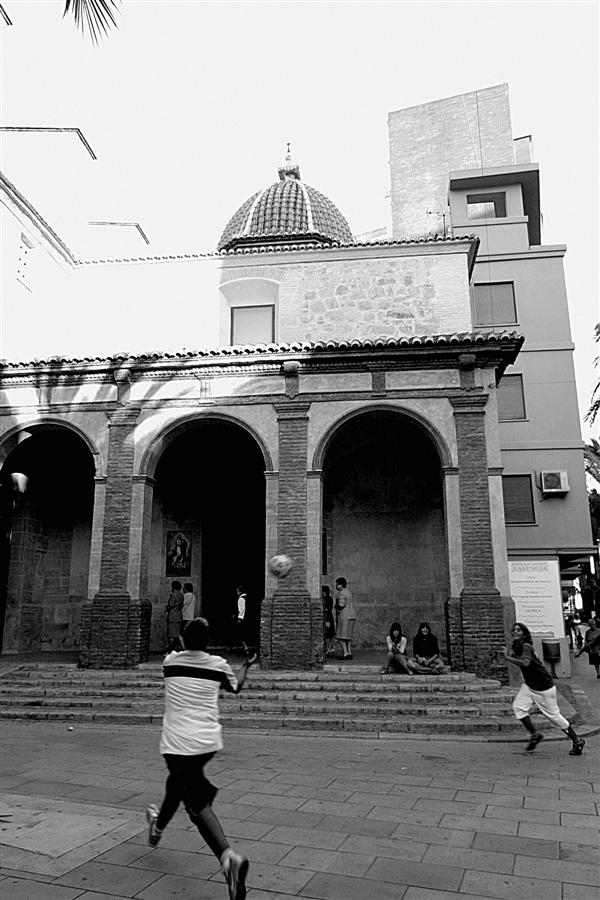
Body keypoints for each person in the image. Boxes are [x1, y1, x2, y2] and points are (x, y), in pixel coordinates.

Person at [146, 617, 257, 900]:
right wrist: (246, 665)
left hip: (177, 744)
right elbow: (236, 687)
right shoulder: (218, 665)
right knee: (178, 787)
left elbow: (172, 655)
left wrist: (178, 645)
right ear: (207, 642)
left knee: (195, 803)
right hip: (206, 744)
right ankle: (156, 828)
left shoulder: (170, 663)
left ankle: (228, 859)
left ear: (183, 639)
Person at [503, 622, 585, 755]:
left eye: (518, 630)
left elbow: (525, 662)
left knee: (554, 716)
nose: (515, 632)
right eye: (513, 630)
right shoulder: (518, 645)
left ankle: (577, 740)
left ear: (524, 633)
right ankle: (535, 734)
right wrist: (508, 651)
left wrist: (507, 657)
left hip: (543, 686)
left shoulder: (526, 646)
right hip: (530, 685)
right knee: (519, 707)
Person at [334, 576, 356, 659]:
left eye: (337, 584)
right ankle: (349, 652)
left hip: (344, 616)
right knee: (348, 636)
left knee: (341, 636)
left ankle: (345, 653)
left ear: (340, 585)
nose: (336, 586)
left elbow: (341, 605)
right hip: (351, 615)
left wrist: (335, 606)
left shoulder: (342, 593)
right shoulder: (349, 592)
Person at [165, 581, 184, 652]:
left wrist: (167, 608)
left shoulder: (173, 595)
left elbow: (170, 605)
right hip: (179, 615)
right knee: (178, 634)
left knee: (171, 635)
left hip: (173, 616)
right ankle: (183, 648)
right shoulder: (181, 595)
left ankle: (170, 650)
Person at [322, 586, 336, 657]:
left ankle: (329, 649)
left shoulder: (328, 599)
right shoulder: (328, 598)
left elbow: (327, 609)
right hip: (328, 617)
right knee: (328, 634)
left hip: (327, 618)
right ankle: (329, 649)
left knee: (328, 634)